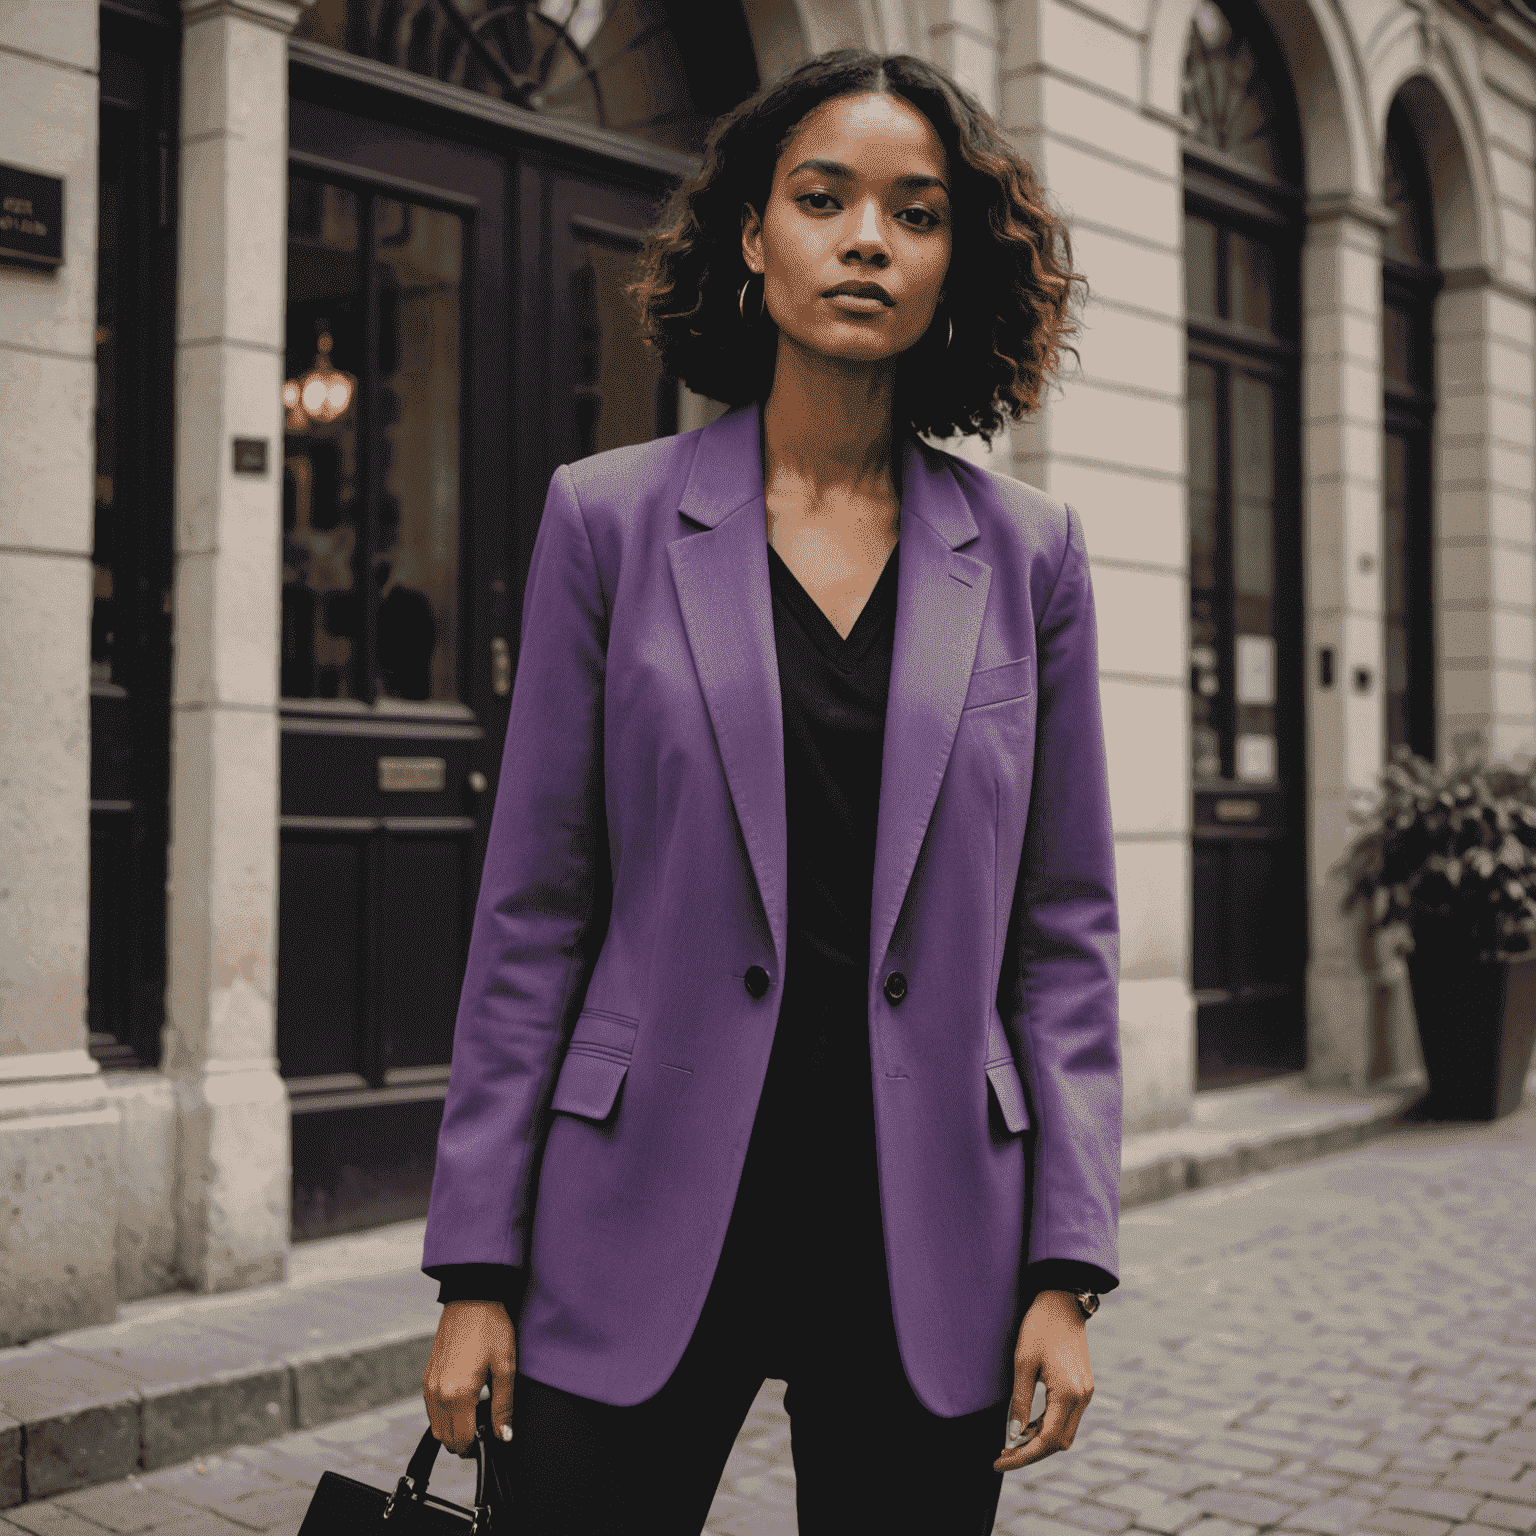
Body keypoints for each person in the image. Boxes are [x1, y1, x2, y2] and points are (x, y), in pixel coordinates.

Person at [419, 47, 1121, 1535]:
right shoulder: (605, 521)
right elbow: (534, 909)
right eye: (824, 197)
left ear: (954, 261)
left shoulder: (1029, 556)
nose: (867, 237)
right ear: (756, 234)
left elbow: (1064, 937)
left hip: (925, 1233)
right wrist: (477, 1271)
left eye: (915, 212)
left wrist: (1066, 1268)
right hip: (636, 1214)